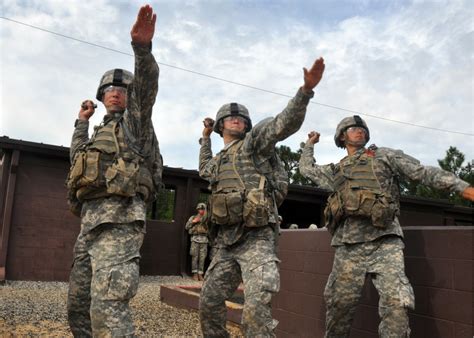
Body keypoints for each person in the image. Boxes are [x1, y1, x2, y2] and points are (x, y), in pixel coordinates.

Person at [299, 115, 474, 337]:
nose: (360, 131)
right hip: (348, 246)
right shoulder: (336, 171)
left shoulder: (383, 156)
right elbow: (306, 169)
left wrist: (462, 188)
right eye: (353, 128)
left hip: (385, 242)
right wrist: (309, 144)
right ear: (342, 136)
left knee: (397, 305)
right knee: (338, 308)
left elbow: (421, 172)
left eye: (362, 128)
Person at [198, 57, 325, 337]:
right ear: (221, 125)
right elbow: (204, 169)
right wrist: (205, 138)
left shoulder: (253, 144)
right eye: (231, 117)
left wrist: (304, 92)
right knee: (208, 303)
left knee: (256, 311)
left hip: (257, 238)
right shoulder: (218, 161)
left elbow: (281, 125)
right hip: (225, 240)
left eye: (242, 118)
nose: (238, 120)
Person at [65, 5, 162, 336]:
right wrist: (81, 123)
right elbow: (77, 161)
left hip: (119, 223)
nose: (116, 93)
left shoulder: (136, 125)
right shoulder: (97, 134)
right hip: (89, 226)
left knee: (108, 308)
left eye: (122, 89)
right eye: (110, 89)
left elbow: (146, 90)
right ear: (102, 97)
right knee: (78, 307)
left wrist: (142, 50)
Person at [185, 203, 209, 281]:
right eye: (199, 209)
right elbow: (187, 227)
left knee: (202, 258)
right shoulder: (193, 217)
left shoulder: (207, 219)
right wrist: (194, 221)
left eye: (202, 209)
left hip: (204, 240)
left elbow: (211, 229)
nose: (200, 211)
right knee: (194, 257)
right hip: (195, 239)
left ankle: (200, 274)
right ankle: (195, 274)